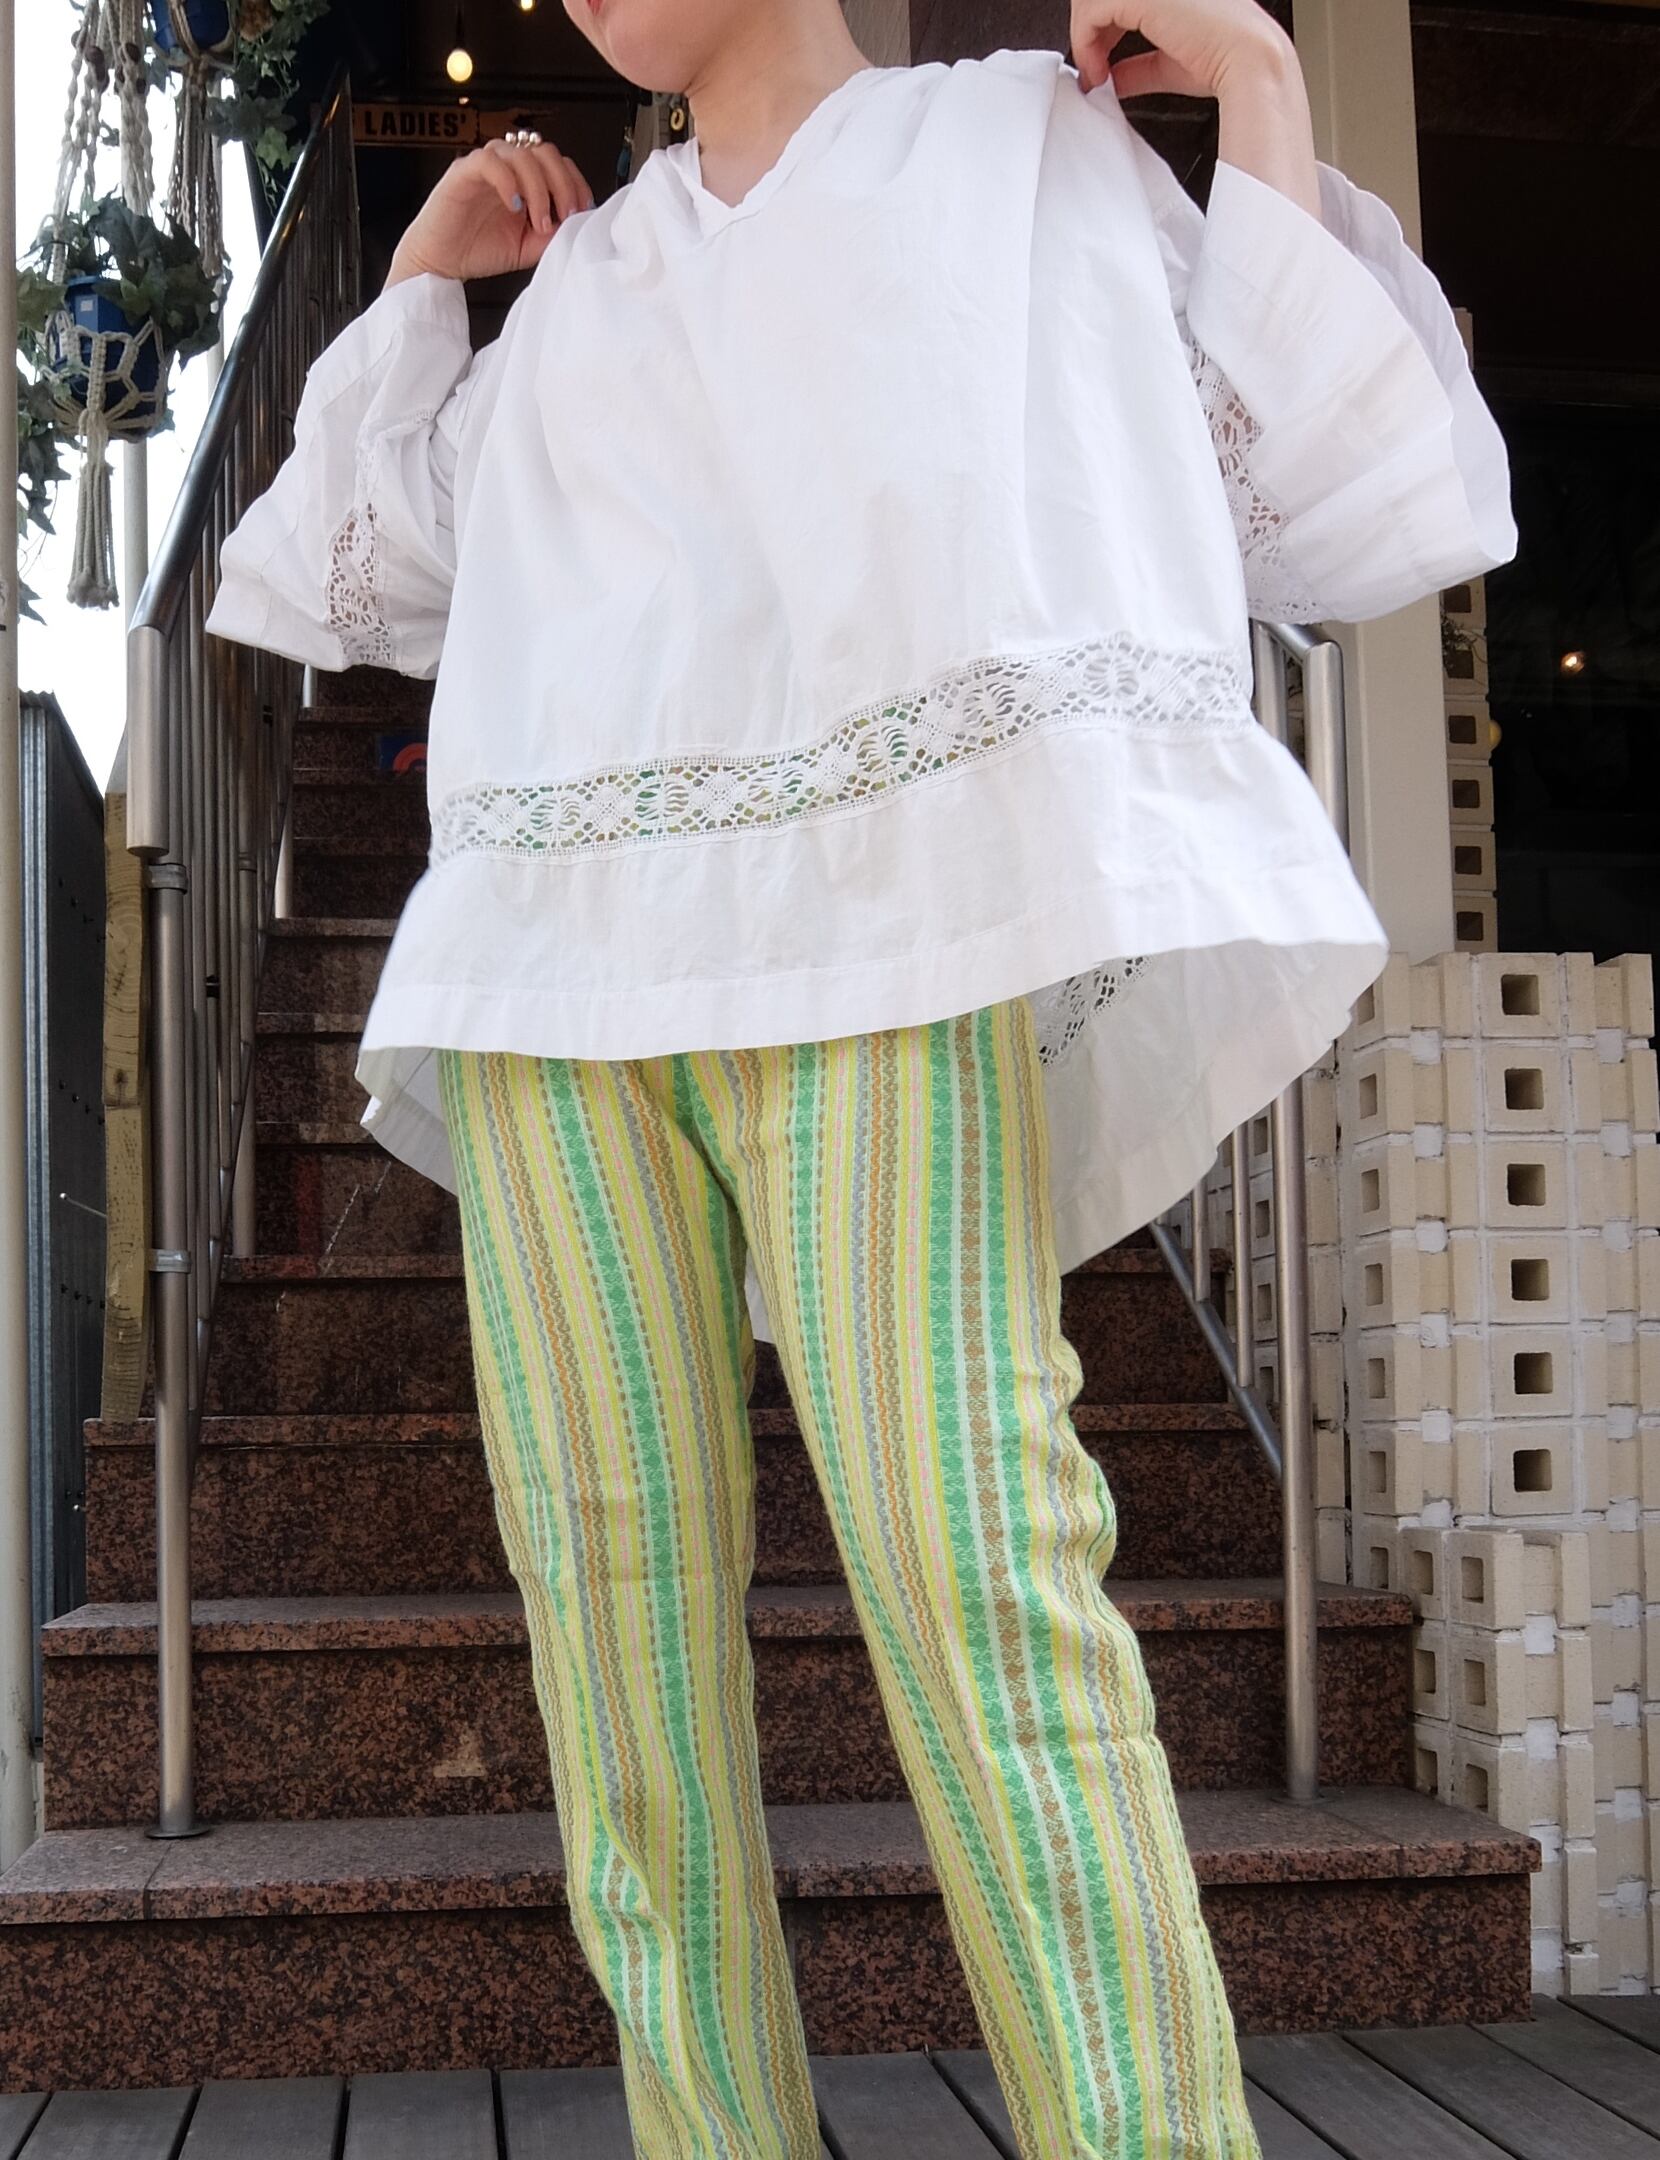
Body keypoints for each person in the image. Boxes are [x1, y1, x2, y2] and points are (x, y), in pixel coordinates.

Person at [205, 2, 1518, 2153]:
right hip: (552, 988)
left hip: (890, 943)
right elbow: (369, 567)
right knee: (611, 1643)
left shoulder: (1008, 149)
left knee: (981, 1579)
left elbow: (1293, 487)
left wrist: (1264, 83)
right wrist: (428, 282)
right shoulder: (589, 284)